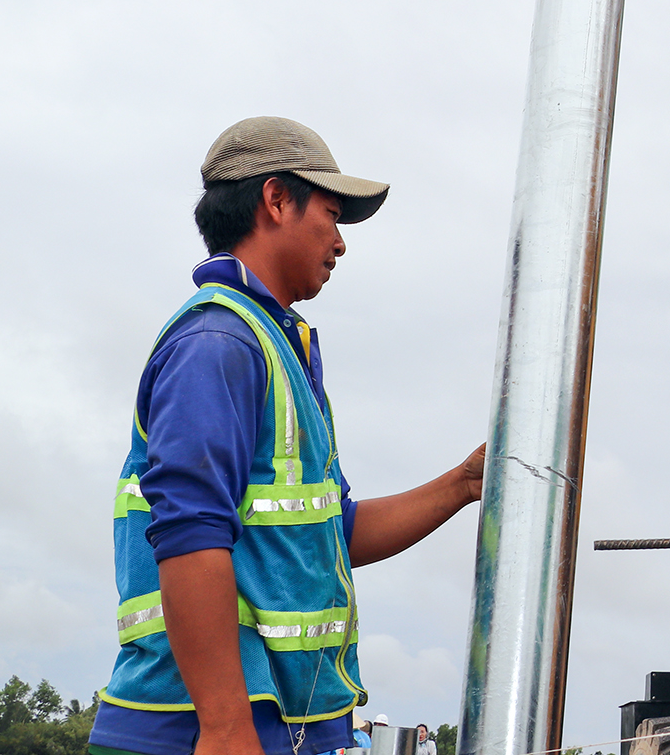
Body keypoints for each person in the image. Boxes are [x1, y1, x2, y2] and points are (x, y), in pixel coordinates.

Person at [91, 116, 488, 755]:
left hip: (284, 728)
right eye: (331, 215)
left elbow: (332, 534)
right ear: (276, 200)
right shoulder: (218, 344)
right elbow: (191, 533)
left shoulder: (277, 346)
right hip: (200, 731)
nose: (339, 241)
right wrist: (225, 728)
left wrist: (463, 485)